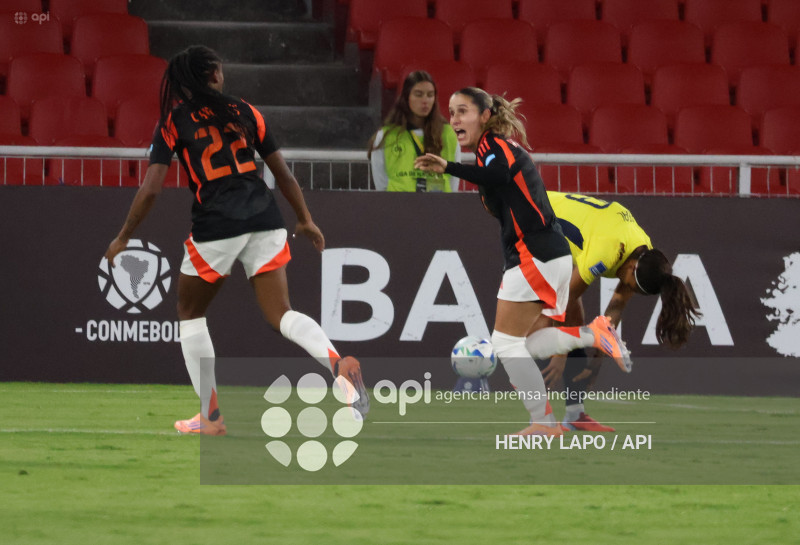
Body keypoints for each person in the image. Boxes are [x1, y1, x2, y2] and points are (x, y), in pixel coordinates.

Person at [104, 45, 369, 436]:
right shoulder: (245, 111)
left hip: (217, 223)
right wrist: (305, 219)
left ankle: (210, 416)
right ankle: (338, 367)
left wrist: (124, 236)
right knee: (282, 314)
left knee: (190, 312)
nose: (223, 76)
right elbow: (283, 174)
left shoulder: (173, 122)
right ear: (212, 75)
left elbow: (151, 189)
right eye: (220, 71)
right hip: (265, 217)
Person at [414, 87, 631, 435]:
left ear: (485, 116)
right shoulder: (494, 150)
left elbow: (499, 176)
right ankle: (593, 334)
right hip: (549, 254)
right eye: (451, 113)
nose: (454, 119)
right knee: (526, 344)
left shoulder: (493, 148)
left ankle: (544, 422)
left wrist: (448, 166)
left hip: (535, 254)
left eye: (463, 111)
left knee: (504, 343)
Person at [527, 191, 701, 432]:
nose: (626, 290)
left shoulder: (644, 255)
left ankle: (574, 415)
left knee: (573, 320)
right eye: (630, 286)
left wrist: (595, 366)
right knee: (545, 319)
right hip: (533, 218)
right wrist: (559, 355)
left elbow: (615, 308)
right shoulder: (608, 251)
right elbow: (562, 301)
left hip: (559, 237)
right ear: (631, 268)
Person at [369, 70, 461, 192]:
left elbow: (453, 181)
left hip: (439, 207)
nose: (425, 100)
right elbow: (381, 184)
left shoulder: (449, 135)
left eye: (430, 95)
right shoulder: (386, 136)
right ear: (406, 97)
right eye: (418, 94)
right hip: (399, 208)